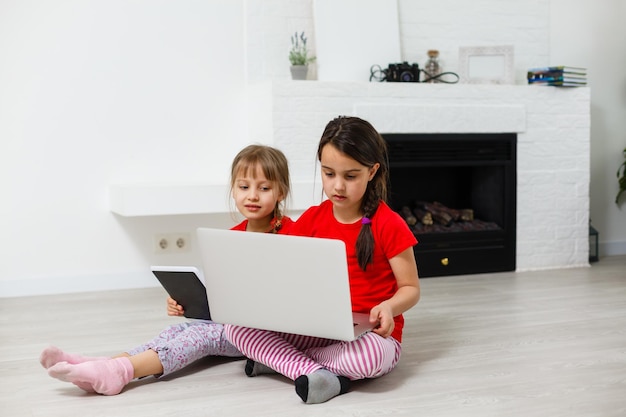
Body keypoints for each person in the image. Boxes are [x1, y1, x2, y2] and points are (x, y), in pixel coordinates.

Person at [40, 144, 294, 395]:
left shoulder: (292, 234)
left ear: (281, 192)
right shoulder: (230, 238)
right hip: (230, 320)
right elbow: (224, 289)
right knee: (176, 331)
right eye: (243, 187)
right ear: (233, 190)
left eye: (264, 188)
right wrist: (190, 302)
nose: (252, 195)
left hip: (259, 334)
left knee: (198, 339)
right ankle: (101, 364)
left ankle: (121, 371)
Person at [224, 116, 421, 404]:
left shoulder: (388, 224)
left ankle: (282, 362)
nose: (338, 186)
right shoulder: (313, 218)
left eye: (350, 176)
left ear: (372, 171)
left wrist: (389, 307)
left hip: (370, 336)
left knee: (369, 358)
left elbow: (411, 288)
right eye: (329, 174)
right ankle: (313, 372)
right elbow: (284, 272)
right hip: (319, 330)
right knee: (236, 329)